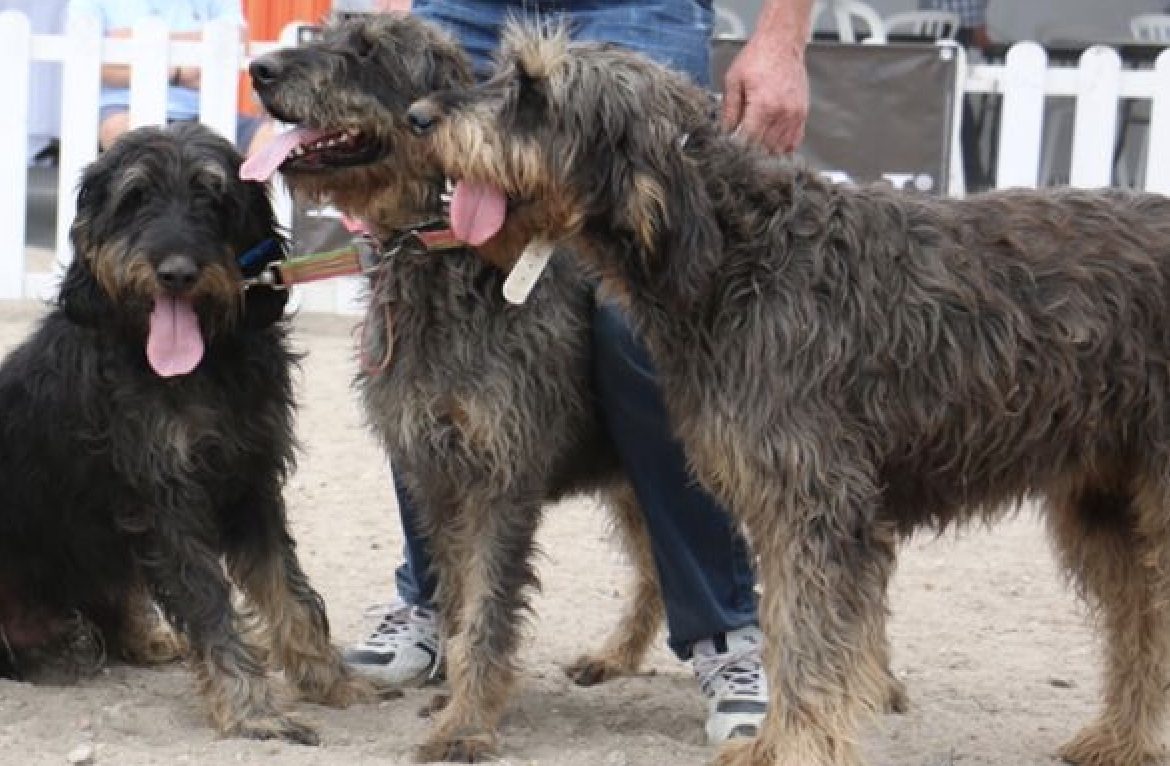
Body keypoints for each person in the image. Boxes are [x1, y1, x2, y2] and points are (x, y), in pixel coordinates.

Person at [345, 0, 812, 745]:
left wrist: (782, 36)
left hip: (636, 11)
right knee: (417, 290)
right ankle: (435, 602)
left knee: (642, 320)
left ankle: (724, 629)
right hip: (459, 10)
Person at [65, 0, 275, 154]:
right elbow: (98, 63)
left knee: (269, 137)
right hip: (124, 108)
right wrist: (186, 62)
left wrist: (138, 44)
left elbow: (236, 38)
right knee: (121, 131)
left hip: (205, 110)